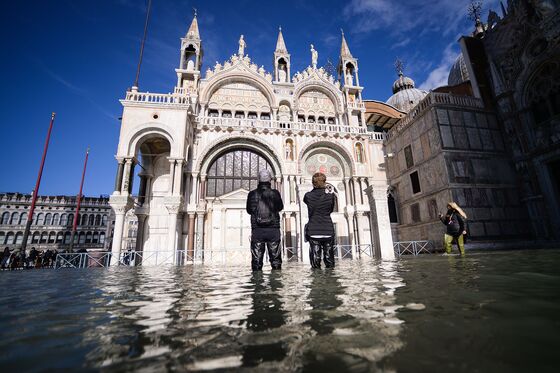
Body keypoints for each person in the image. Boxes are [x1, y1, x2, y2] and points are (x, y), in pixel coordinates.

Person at [246, 169, 284, 271]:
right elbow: (280, 207)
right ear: (270, 180)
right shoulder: (275, 193)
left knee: (256, 262)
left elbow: (249, 210)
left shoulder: (252, 194)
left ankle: (258, 285)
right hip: (273, 230)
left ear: (258, 180)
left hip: (257, 230)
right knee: (276, 261)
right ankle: (275, 284)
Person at [304, 172, 336, 269]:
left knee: (315, 260)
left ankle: (316, 281)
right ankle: (330, 280)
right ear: (325, 182)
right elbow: (330, 210)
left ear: (313, 183)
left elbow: (306, 201)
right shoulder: (331, 196)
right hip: (328, 230)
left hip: (313, 230)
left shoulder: (308, 196)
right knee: (329, 259)